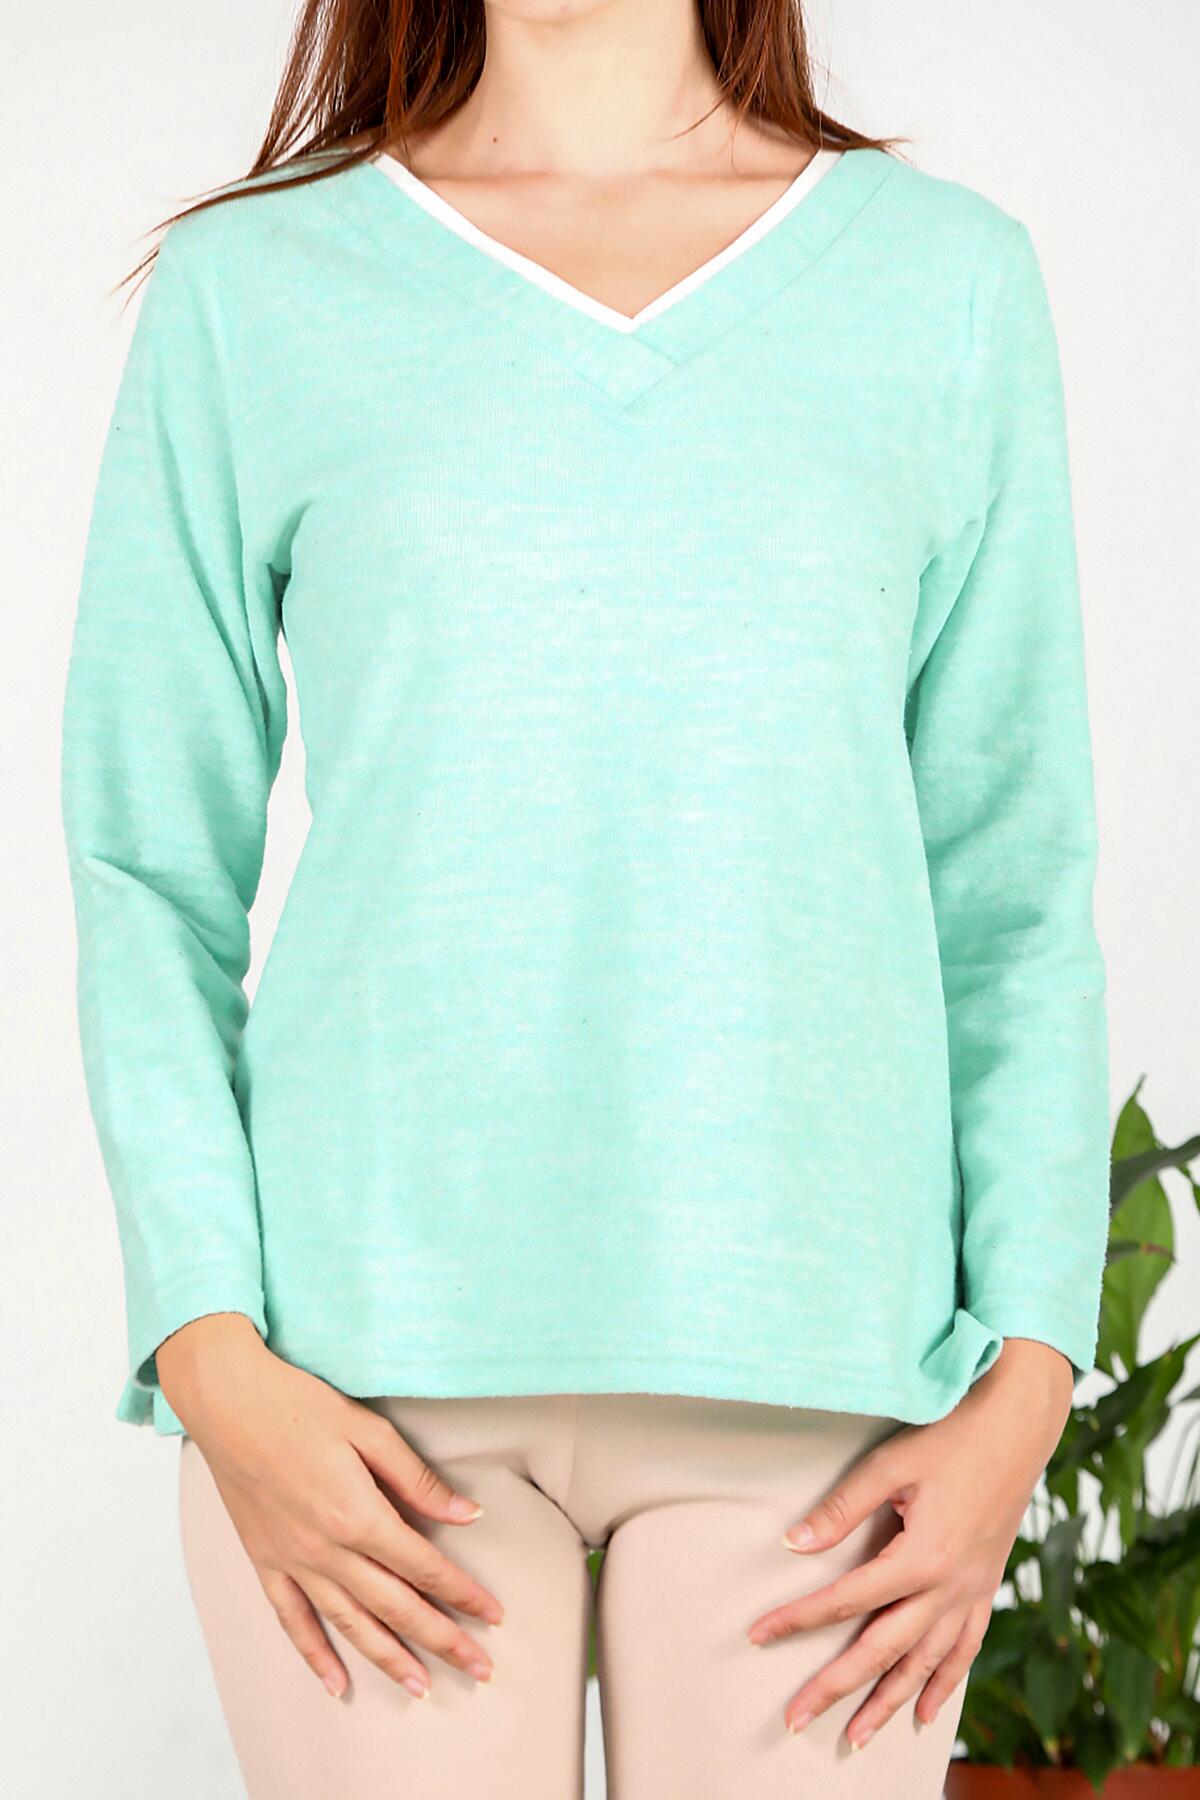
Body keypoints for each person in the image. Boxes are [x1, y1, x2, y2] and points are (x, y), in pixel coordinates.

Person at [59, 1, 1111, 1795]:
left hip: (827, 1396)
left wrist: (1026, 1384)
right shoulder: (257, 289)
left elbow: (1013, 878)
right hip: (352, 1400)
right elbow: (146, 861)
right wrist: (211, 1356)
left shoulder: (945, 284)